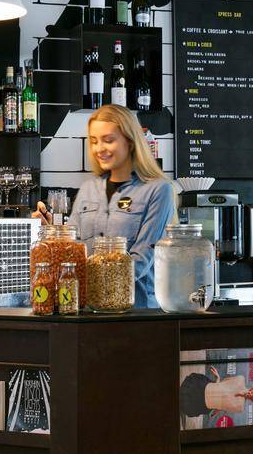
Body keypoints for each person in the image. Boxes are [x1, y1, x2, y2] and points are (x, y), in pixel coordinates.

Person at [33, 104, 175, 308]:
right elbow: (72, 250)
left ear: (130, 141)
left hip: (135, 311)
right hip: (87, 309)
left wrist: (94, 278)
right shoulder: (87, 189)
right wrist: (51, 234)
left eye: (108, 140)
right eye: (94, 141)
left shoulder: (159, 190)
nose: (99, 149)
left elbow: (142, 259)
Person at [179, 364, 253, 422]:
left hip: (195, 387)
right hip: (195, 405)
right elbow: (221, 406)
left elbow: (221, 384)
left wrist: (217, 377)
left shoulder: (241, 379)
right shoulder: (240, 408)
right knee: (209, 407)